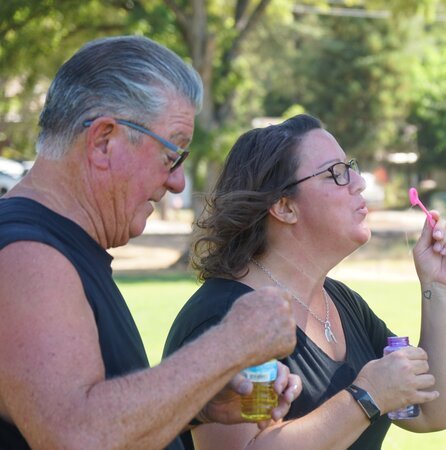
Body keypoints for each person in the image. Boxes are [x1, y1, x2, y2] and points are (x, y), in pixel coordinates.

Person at [0, 36, 301, 450]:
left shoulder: (57, 246)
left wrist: (197, 404)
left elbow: (95, 420)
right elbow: (75, 435)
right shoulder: (27, 255)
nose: (176, 181)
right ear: (104, 140)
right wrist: (231, 343)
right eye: (172, 154)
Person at [163, 113, 446, 449]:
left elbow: (433, 411)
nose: (359, 182)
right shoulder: (221, 318)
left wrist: (440, 285)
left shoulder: (342, 303)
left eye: (349, 167)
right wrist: (366, 397)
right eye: (336, 173)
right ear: (283, 206)